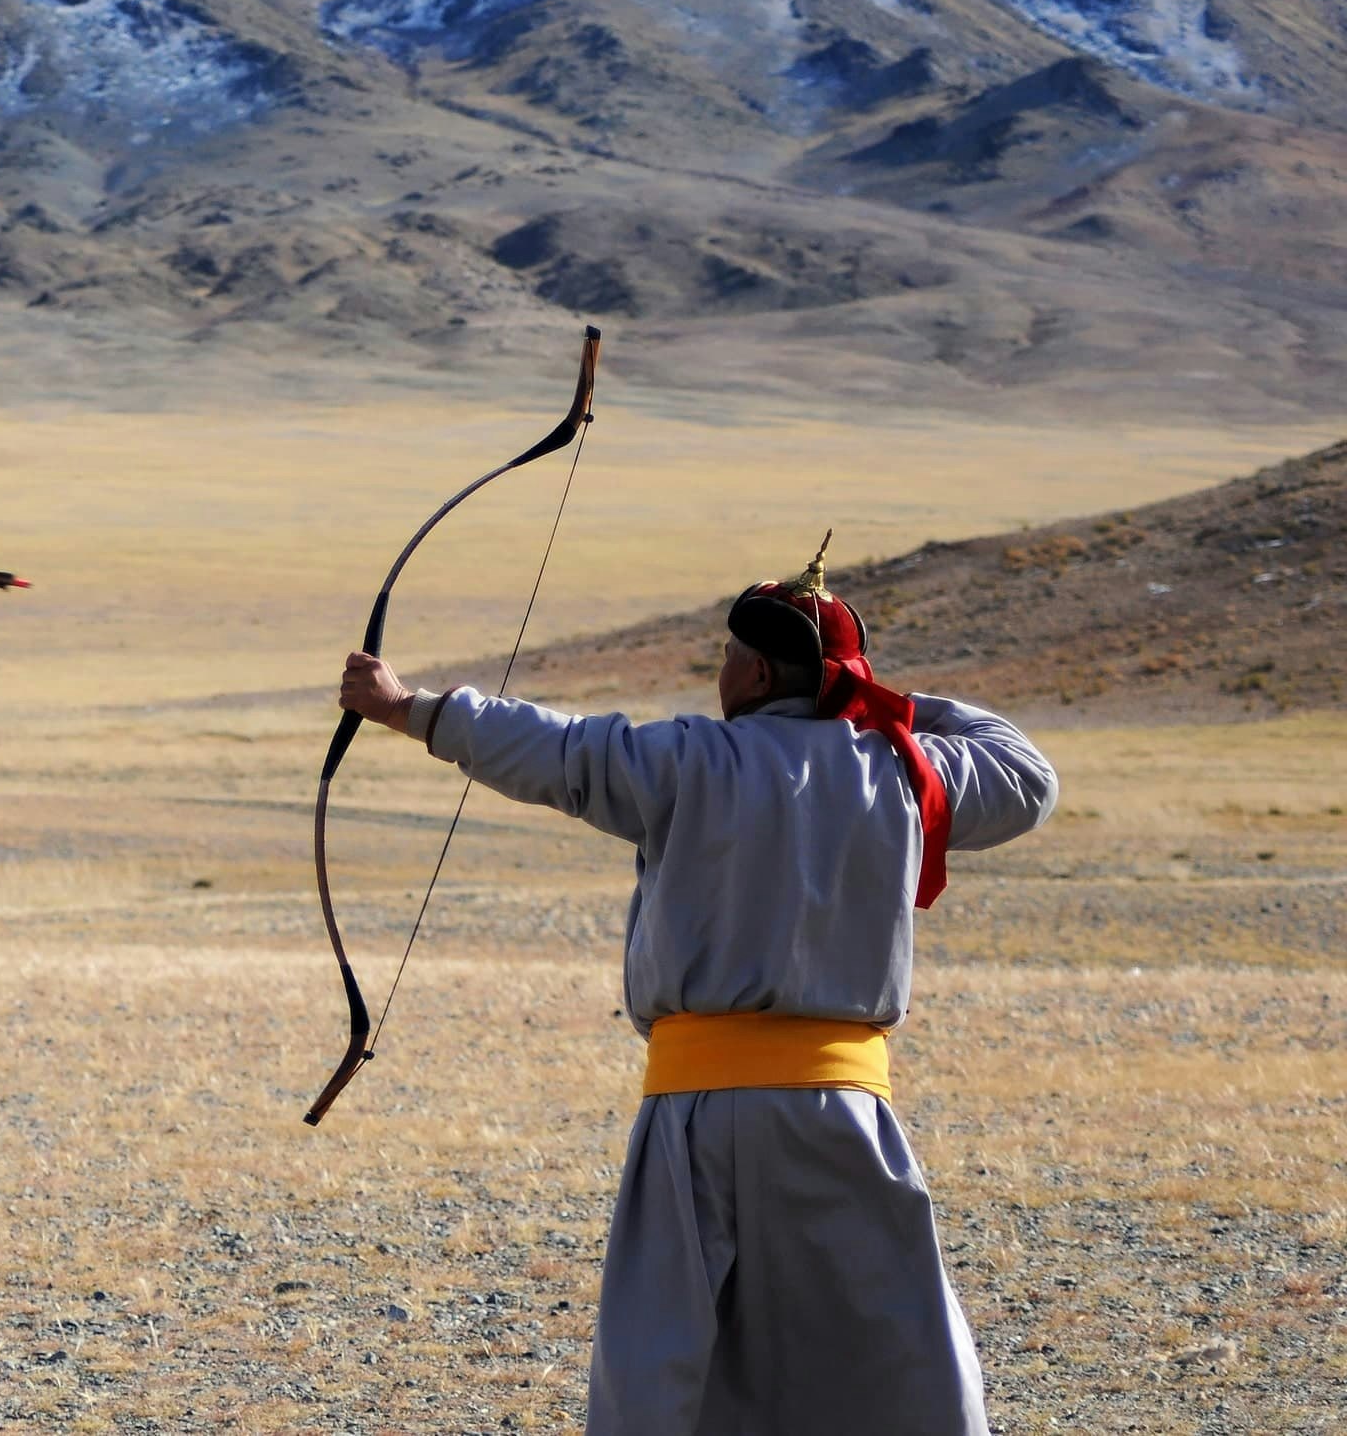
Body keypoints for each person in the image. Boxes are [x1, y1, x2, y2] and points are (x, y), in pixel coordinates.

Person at [337, 536, 1057, 1436]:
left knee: (666, 1362)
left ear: (754, 674)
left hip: (697, 1114)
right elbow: (1025, 770)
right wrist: (880, 701)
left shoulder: (683, 762)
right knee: (886, 1342)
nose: (722, 672)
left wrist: (410, 709)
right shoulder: (903, 773)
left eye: (729, 658)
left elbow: (557, 749)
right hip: (843, 1112)